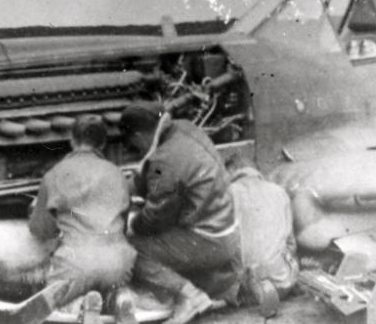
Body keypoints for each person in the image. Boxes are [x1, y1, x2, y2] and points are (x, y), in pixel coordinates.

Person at [120, 101, 240, 324]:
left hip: (209, 240)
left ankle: (189, 296)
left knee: (128, 250)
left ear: (138, 135)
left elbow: (154, 219)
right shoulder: (184, 128)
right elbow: (154, 178)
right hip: (228, 231)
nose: (136, 150)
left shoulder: (164, 159)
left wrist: (130, 222)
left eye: (134, 145)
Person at [28, 115, 137, 317]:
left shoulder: (54, 174)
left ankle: (80, 307)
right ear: (103, 143)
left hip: (75, 263)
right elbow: (122, 225)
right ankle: (119, 300)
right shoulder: (117, 173)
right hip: (118, 262)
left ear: (72, 140)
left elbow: (40, 229)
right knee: (112, 286)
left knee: (56, 304)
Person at [224, 155, 299, 302]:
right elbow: (291, 244)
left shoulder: (228, 194)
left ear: (231, 171)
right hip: (284, 282)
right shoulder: (280, 192)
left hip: (247, 288)